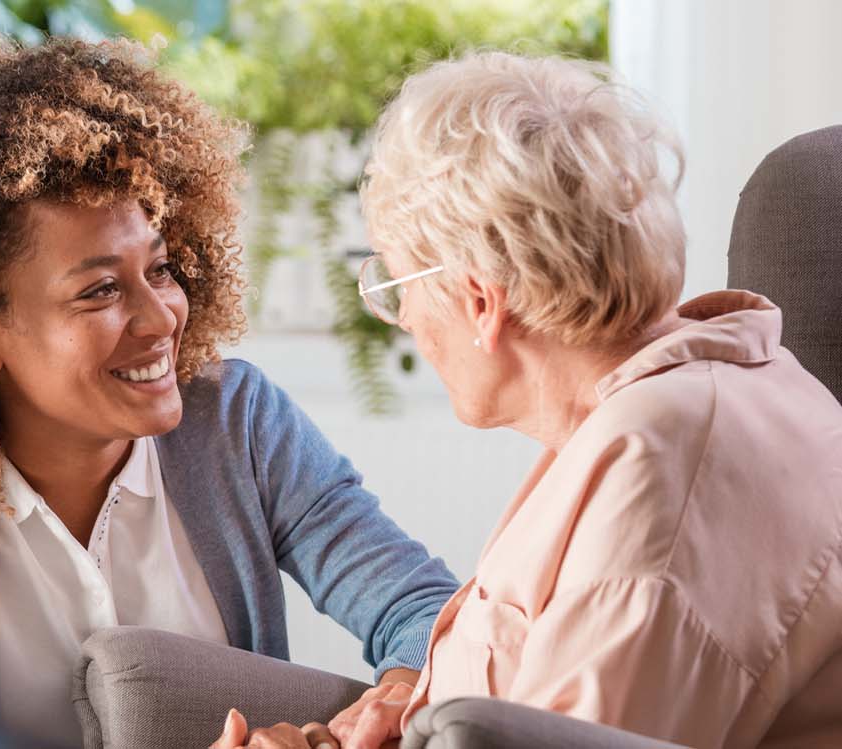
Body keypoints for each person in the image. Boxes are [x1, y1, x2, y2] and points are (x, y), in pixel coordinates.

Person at [0, 37, 458, 749]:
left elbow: (424, 612)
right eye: (100, 289)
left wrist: (384, 707)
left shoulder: (238, 423)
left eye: (160, 268)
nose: (162, 314)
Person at [215, 52, 842, 749]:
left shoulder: (658, 468)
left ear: (479, 300)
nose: (407, 321)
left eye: (396, 286)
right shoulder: (662, 407)